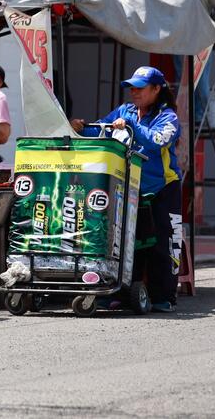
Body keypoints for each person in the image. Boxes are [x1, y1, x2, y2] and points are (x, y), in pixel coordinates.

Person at [70, 66, 182, 313]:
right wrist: (80, 127)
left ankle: (163, 297)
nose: (134, 92)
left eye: (140, 88)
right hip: (128, 187)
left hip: (163, 188)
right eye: (132, 87)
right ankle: (121, 294)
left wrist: (131, 125)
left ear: (156, 89)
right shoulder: (125, 110)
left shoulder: (168, 117)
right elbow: (101, 128)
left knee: (162, 245)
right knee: (126, 242)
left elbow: (157, 141)